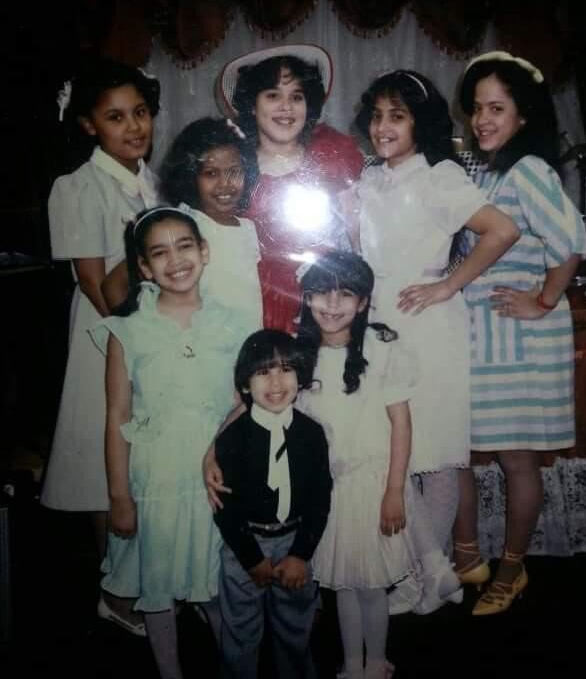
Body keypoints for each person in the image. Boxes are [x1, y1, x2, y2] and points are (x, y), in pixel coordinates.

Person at [346, 70, 519, 570]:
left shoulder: (439, 176)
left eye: (397, 117)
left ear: (419, 123)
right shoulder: (371, 178)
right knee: (394, 451)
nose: (383, 127)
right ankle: (421, 571)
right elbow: (365, 252)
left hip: (428, 325)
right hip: (380, 324)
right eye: (377, 116)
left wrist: (447, 285)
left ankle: (431, 576)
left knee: (434, 451)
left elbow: (501, 231)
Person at [452, 51, 586, 615]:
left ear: (523, 115)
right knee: (458, 453)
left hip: (520, 340)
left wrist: (545, 300)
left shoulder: (529, 169)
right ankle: (467, 555)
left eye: (496, 109)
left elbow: (570, 242)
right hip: (483, 337)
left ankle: (511, 569)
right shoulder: (487, 170)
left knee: (516, 462)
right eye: (477, 108)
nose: (482, 119)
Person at [296, 251, 463, 679]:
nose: (332, 305)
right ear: (307, 297)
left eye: (345, 295)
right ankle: (353, 664)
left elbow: (401, 425)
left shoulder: (381, 348)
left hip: (373, 485)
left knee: (372, 587)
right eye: (321, 293)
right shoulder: (300, 354)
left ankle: (377, 661)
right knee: (343, 585)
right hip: (330, 491)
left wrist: (394, 491)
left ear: (364, 302)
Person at [91, 206, 238, 678]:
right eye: (159, 252)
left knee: (217, 585)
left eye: (185, 246)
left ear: (204, 251)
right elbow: (117, 416)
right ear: (144, 267)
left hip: (216, 479)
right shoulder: (127, 331)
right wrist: (120, 497)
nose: (175, 260)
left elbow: (243, 403)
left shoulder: (232, 323)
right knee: (158, 585)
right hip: (156, 477)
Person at [41, 56, 160, 633]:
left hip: (151, 329)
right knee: (102, 459)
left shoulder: (149, 179)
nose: (133, 126)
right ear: (89, 124)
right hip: (107, 335)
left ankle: (143, 578)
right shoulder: (77, 186)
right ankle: (114, 592)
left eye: (139, 112)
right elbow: (93, 283)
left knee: (140, 458)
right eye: (115, 117)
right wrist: (138, 347)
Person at [216, 44, 364, 334]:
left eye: (296, 97)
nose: (286, 107)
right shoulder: (233, 169)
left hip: (324, 303)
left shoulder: (331, 158)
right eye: (273, 95)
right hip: (252, 304)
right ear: (252, 104)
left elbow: (358, 239)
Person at [213, 329, 332, 679]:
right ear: (245, 384)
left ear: (300, 376)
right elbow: (225, 507)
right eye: (263, 372)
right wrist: (251, 559)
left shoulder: (311, 433)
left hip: (295, 543)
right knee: (241, 634)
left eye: (286, 369)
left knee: (296, 631)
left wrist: (300, 554)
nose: (276, 382)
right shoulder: (234, 437)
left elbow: (320, 498)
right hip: (244, 546)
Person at [159, 116, 263, 343]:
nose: (225, 184)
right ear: (190, 176)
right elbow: (117, 283)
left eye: (234, 172)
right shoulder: (182, 224)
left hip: (245, 347)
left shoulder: (247, 228)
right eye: (211, 173)